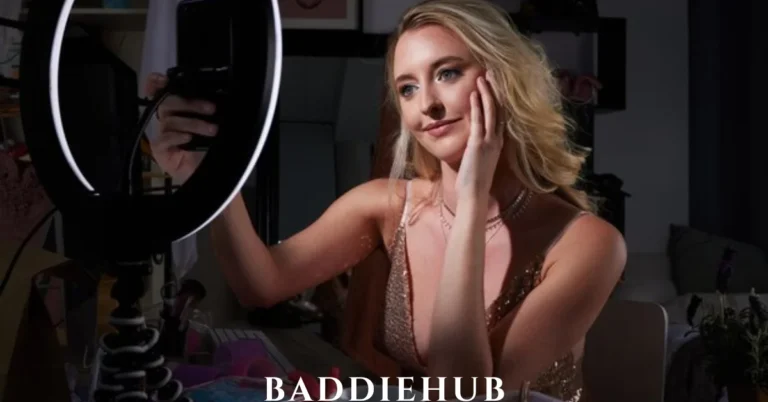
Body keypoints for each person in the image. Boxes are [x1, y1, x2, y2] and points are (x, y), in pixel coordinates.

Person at [145, 0, 626, 400]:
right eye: (408, 88)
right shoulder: (387, 206)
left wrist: (471, 199)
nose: (427, 105)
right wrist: (209, 176)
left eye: (448, 73)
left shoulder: (589, 243)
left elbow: (465, 395)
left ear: (504, 79)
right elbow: (260, 285)